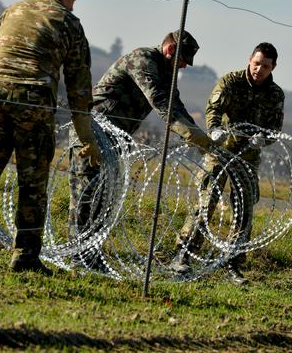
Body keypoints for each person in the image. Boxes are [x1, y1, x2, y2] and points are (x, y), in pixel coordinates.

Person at [0, 0, 101, 276]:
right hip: (33, 99)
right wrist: (86, 136)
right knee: (32, 182)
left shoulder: (12, 11)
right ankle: (25, 256)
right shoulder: (69, 23)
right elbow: (79, 89)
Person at [67, 30, 213, 264]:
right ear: (171, 50)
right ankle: (78, 257)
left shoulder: (167, 74)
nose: (184, 66)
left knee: (104, 199)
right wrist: (192, 135)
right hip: (93, 133)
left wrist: (201, 138)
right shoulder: (143, 60)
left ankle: (91, 255)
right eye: (184, 59)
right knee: (87, 194)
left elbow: (177, 106)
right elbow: (160, 102)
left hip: (114, 138)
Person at [173, 42, 284, 285]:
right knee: (207, 201)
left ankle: (232, 263)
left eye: (265, 66)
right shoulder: (231, 82)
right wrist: (214, 129)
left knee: (243, 210)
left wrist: (263, 139)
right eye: (256, 64)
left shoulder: (275, 95)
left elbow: (275, 128)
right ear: (249, 60)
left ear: (273, 67)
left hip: (248, 158)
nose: (259, 70)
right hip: (220, 151)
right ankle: (184, 253)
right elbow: (213, 108)